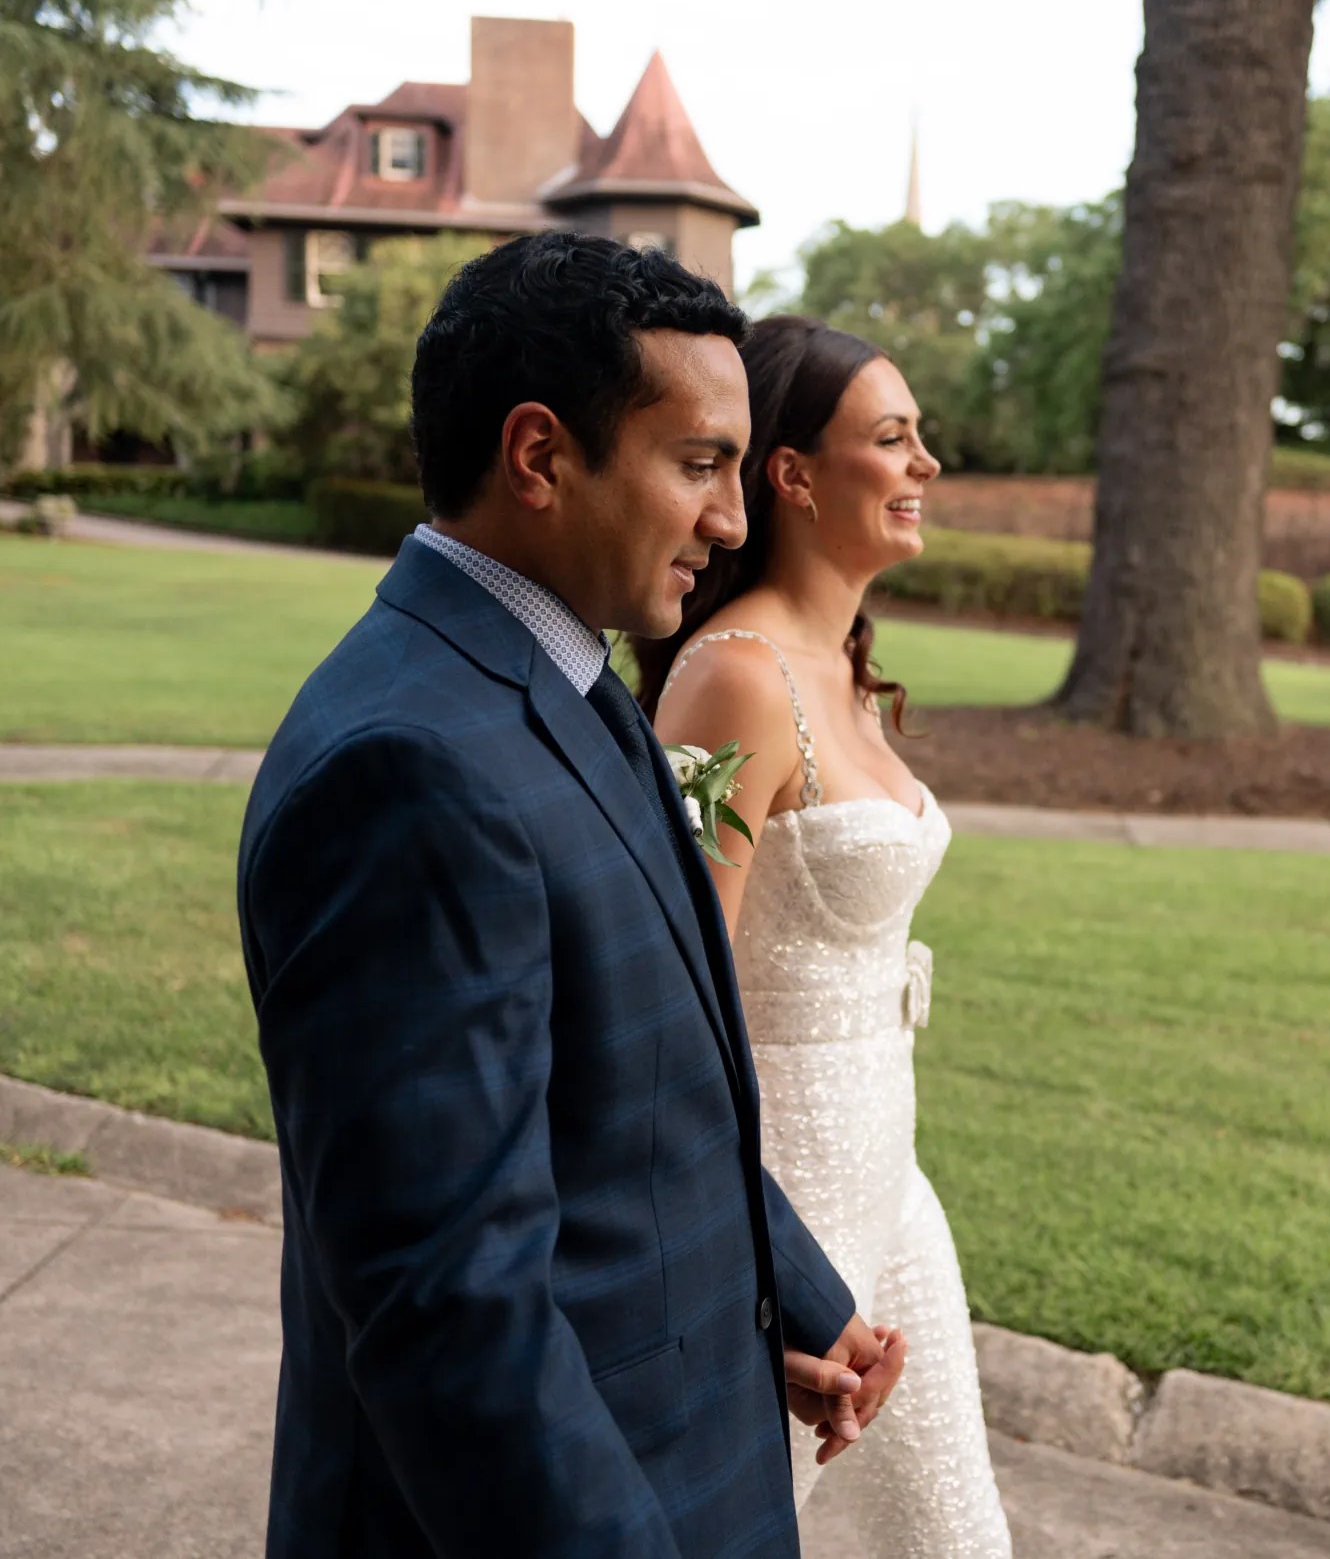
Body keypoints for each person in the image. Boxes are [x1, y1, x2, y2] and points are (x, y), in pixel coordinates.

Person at [238, 236, 907, 1559]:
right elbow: (452, 1306)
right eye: (701, 462)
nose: (729, 519)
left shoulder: (571, 678)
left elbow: (647, 1080)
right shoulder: (407, 767)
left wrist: (792, 1297)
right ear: (540, 457)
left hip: (682, 1436)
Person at [636, 315, 1012, 1557]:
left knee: (957, 1540)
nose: (925, 467)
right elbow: (672, 990)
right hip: (783, 1204)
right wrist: (753, 1269)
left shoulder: (843, 667)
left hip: (891, 1186)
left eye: (921, 440)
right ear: (791, 475)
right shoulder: (731, 680)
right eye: (891, 439)